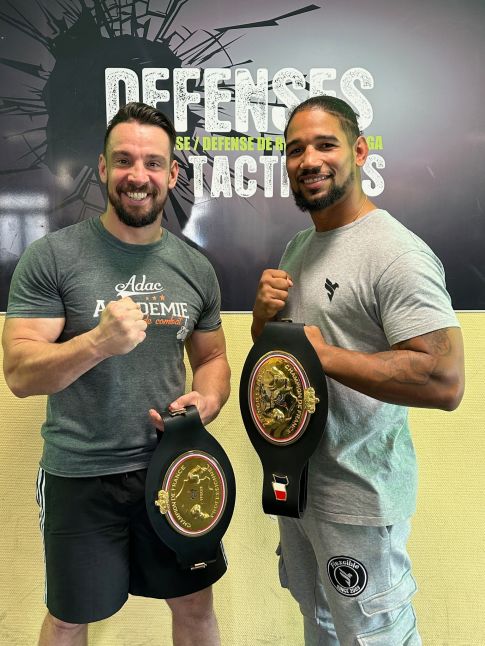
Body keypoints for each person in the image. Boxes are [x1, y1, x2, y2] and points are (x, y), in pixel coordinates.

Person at [2, 102, 231, 646]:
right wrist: (97, 342)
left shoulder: (195, 267)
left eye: (154, 163)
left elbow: (213, 359)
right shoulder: (52, 258)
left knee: (195, 608)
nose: (138, 176)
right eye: (123, 160)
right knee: (69, 617)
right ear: (103, 169)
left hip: (174, 467)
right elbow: (19, 373)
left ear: (172, 174)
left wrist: (208, 401)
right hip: (81, 474)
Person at [251, 96, 464, 646]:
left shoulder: (395, 252)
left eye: (326, 144)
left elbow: (444, 379)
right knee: (318, 625)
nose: (309, 160)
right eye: (295, 149)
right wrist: (261, 324)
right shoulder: (299, 246)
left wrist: (328, 356)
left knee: (375, 636)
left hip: (360, 496)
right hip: (298, 487)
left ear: (360, 151)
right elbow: (287, 366)